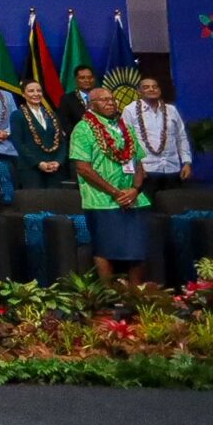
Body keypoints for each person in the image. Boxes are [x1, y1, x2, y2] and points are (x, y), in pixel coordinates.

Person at [70, 89, 148, 285]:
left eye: (112, 99)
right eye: (104, 100)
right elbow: (83, 168)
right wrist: (115, 192)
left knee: (137, 249)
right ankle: (110, 298)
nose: (111, 102)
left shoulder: (126, 128)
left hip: (132, 200)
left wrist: (135, 190)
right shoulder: (83, 129)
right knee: (105, 249)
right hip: (101, 201)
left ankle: (135, 298)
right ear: (91, 104)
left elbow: (138, 162)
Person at [125, 77, 190, 194]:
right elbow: (126, 141)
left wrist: (186, 162)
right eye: (146, 87)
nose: (151, 89)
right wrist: (134, 169)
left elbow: (181, 137)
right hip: (146, 170)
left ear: (159, 90)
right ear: (139, 91)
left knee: (174, 208)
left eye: (154, 87)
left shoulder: (171, 110)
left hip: (172, 169)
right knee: (149, 210)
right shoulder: (130, 110)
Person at [9, 81, 71, 190]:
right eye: (31, 91)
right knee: (36, 204)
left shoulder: (51, 114)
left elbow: (62, 141)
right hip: (31, 170)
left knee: (54, 203)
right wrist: (38, 163)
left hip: (54, 169)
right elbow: (18, 142)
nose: (36, 94)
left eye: (39, 90)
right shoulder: (17, 115)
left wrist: (58, 161)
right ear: (23, 94)